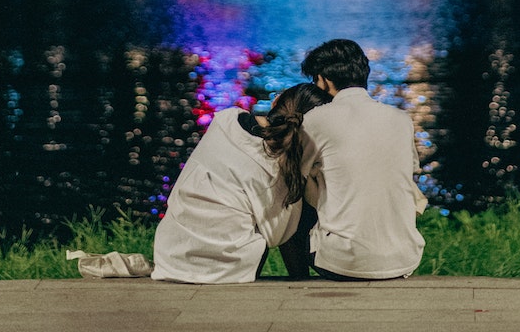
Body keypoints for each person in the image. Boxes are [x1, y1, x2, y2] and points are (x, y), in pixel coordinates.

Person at [151, 82, 331, 284]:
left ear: (276, 101)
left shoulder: (227, 119)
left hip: (171, 256)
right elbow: (277, 236)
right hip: (224, 269)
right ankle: (300, 280)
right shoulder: (281, 167)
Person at [282, 38, 425, 281]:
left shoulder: (316, 119)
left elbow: (293, 174)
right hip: (403, 260)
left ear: (324, 80)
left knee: (291, 193)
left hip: (340, 263)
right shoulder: (401, 119)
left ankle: (298, 283)